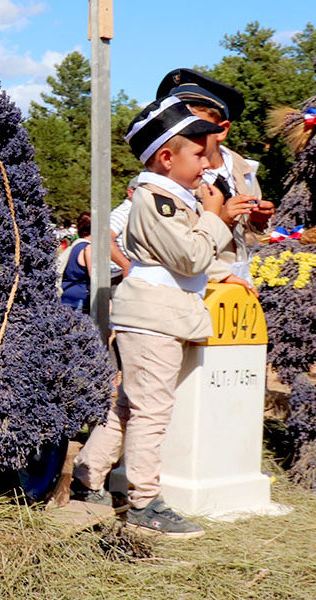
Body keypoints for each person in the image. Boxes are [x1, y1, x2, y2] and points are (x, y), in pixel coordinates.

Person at [71, 95, 255, 538]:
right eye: (197, 153)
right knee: (151, 412)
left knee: (131, 407)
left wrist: (225, 267)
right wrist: (216, 217)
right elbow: (190, 257)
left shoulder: (178, 199)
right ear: (167, 158)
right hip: (154, 318)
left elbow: (190, 259)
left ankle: (88, 473)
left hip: (161, 315)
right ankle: (144, 502)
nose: (205, 163)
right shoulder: (156, 200)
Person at [156, 68, 276, 292]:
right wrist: (221, 218)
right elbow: (176, 248)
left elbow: (252, 238)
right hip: (195, 291)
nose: (182, 137)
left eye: (195, 128)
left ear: (222, 130)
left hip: (240, 290)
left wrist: (259, 222)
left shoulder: (245, 170)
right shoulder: (167, 177)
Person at [108, 175, 140, 284]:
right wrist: (126, 265)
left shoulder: (137, 212)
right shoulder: (123, 213)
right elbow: (105, 240)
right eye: (141, 190)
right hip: (119, 276)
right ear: (130, 192)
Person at [60, 213, 93, 311]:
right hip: (80, 299)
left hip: (66, 294)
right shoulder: (88, 249)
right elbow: (95, 277)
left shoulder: (74, 246)